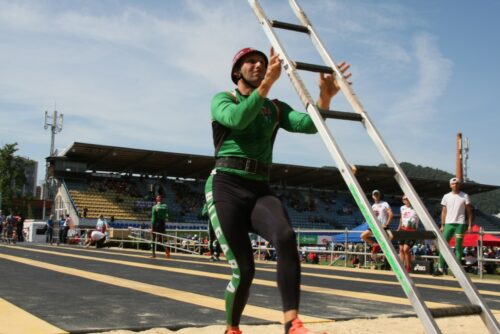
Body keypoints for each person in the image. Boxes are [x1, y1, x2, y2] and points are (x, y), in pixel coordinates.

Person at [205, 46, 350, 334]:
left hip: (259, 188)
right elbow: (238, 119)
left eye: (262, 61)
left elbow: (309, 125)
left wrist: (325, 98)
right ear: (237, 71)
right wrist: (268, 84)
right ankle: (232, 328)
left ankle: (290, 323)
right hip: (226, 185)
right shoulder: (223, 99)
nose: (258, 65)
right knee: (244, 271)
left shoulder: (275, 108)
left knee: (285, 237)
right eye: (251, 62)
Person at [434, 177, 473, 276]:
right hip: (448, 224)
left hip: (460, 224)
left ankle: (457, 271)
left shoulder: (465, 196)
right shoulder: (446, 196)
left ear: (459, 185)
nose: (455, 185)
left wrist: (469, 225)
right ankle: (440, 268)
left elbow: (469, 211)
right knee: (443, 246)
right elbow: (444, 211)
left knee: (458, 247)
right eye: (453, 184)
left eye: (457, 184)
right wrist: (442, 225)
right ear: (450, 185)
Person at [397, 194, 420, 272]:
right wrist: (398, 227)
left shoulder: (416, 208)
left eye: (408, 199)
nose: (407, 200)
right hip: (402, 229)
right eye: (405, 199)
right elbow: (401, 218)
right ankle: (401, 266)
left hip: (412, 231)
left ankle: (408, 266)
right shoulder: (402, 208)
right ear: (403, 200)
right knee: (401, 249)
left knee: (406, 249)